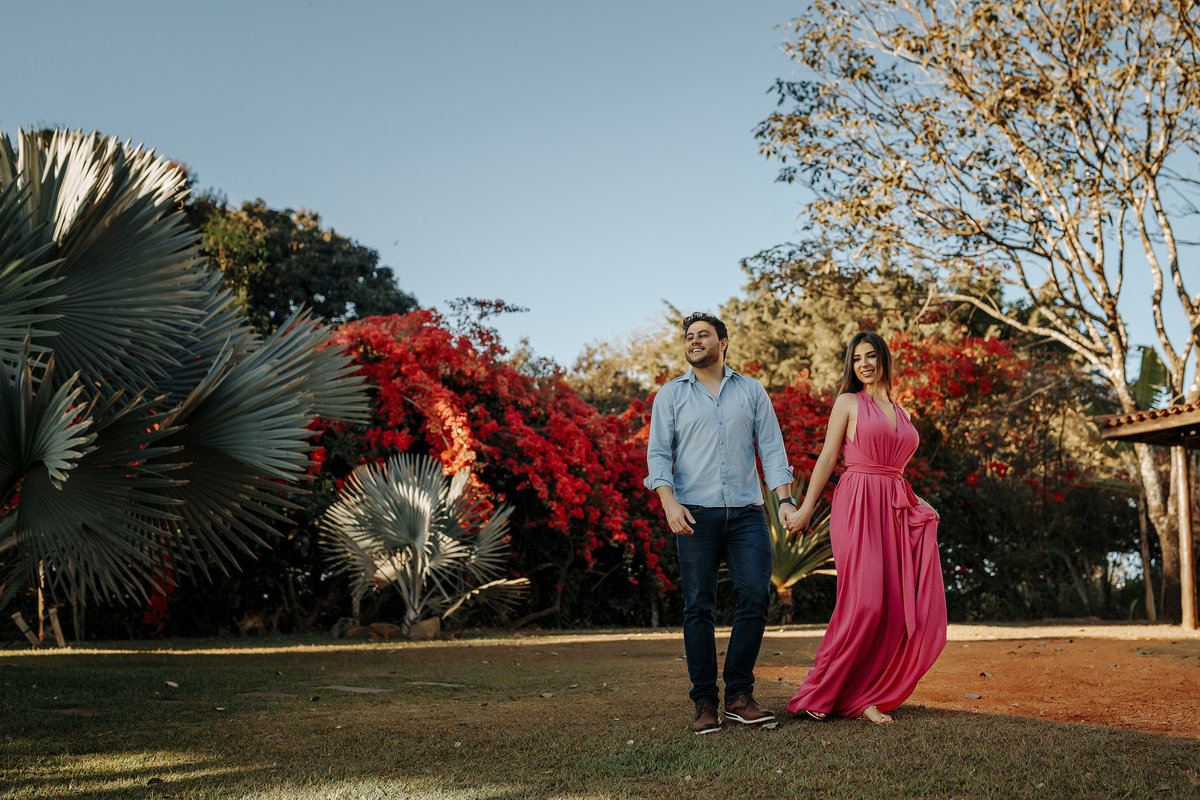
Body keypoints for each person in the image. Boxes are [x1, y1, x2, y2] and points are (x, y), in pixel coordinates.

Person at [644, 312, 796, 735]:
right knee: (698, 607)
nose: (694, 341)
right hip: (694, 512)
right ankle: (705, 703)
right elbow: (658, 456)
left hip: (748, 513)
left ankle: (739, 696)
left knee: (754, 598)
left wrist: (784, 501)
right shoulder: (670, 395)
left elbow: (772, 450)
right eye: (689, 336)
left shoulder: (751, 391)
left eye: (703, 335)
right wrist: (669, 503)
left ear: (723, 342)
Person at [784, 331, 946, 725]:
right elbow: (826, 458)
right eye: (857, 359)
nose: (864, 365)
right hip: (857, 503)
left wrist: (916, 499)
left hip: (893, 506)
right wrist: (805, 509)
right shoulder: (848, 402)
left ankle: (867, 696)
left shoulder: (902, 412)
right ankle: (818, 692)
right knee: (865, 602)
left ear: (884, 359)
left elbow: (895, 470)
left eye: (871, 356)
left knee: (893, 608)